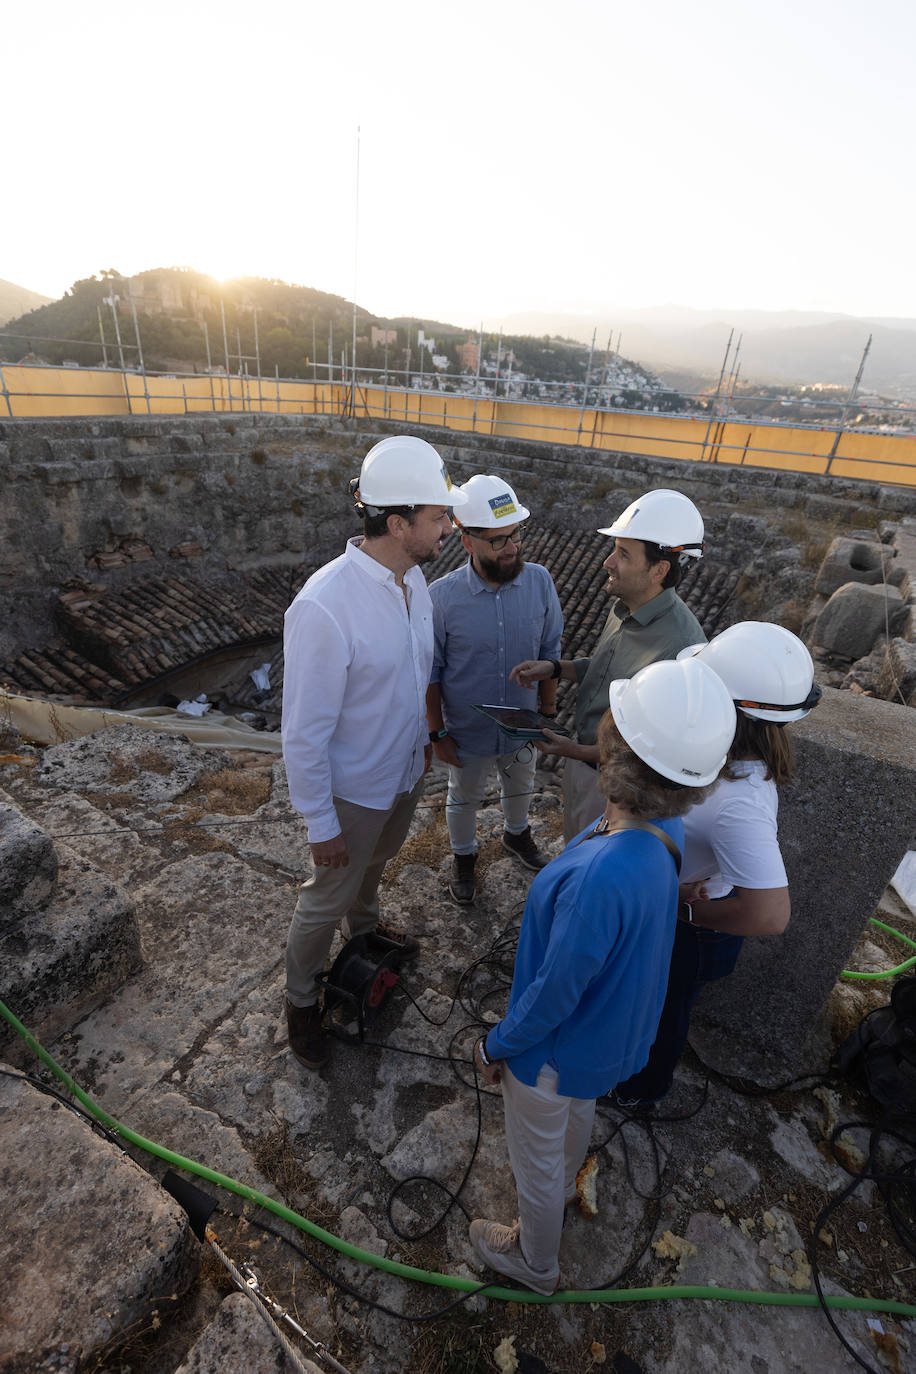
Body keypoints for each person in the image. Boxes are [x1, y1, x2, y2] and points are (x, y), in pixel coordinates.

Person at [468, 658, 737, 1294]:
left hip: (551, 1054)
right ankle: (565, 1188)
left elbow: (556, 990)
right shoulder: (662, 829)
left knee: (533, 1161)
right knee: (577, 1115)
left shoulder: (598, 877)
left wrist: (495, 1044)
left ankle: (535, 1263)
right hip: (607, 1040)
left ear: (617, 760)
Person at [282, 435, 468, 1070]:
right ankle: (301, 1000)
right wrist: (321, 821)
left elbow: (411, 679)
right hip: (350, 791)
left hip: (398, 774)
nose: (450, 526)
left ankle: (364, 932)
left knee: (373, 867)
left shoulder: (412, 579)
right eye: (440, 517)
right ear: (398, 522)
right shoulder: (324, 608)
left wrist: (420, 747)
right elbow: (303, 732)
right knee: (323, 897)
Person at [613, 621, 821, 1108]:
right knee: (653, 1002)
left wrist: (682, 913)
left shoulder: (740, 800)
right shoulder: (723, 761)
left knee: (662, 1011)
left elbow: (770, 915)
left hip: (695, 929)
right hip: (680, 910)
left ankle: (640, 1092)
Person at [509, 488, 707, 842]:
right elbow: (606, 670)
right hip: (584, 764)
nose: (607, 562)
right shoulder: (624, 607)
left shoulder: (683, 649)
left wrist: (572, 751)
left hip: (617, 789)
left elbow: (646, 748)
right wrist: (556, 668)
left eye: (623, 554)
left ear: (659, 569)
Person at [425, 475, 564, 904]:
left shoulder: (540, 582)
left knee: (520, 782)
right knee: (463, 797)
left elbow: (551, 649)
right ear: (467, 541)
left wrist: (547, 712)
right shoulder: (441, 599)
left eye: (515, 534)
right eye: (498, 539)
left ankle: (516, 836)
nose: (512, 547)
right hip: (466, 732)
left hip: (523, 726)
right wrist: (437, 734)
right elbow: (430, 673)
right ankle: (464, 858)